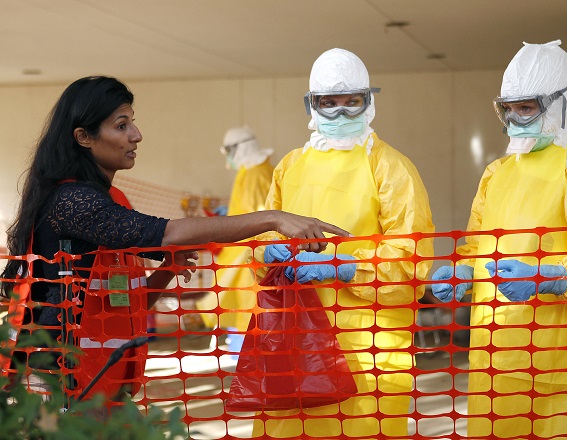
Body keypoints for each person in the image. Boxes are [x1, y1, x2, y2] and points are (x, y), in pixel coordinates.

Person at [0, 76, 349, 407]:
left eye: (132, 122)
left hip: (101, 379)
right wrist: (274, 218)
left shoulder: (109, 199)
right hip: (58, 380)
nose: (136, 135)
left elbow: (128, 308)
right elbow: (170, 233)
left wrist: (167, 270)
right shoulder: (73, 202)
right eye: (121, 125)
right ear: (84, 137)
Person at [430, 40, 567, 438]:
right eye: (507, 109)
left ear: (560, 104)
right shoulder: (497, 173)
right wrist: (460, 275)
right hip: (495, 367)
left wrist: (554, 278)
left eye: (526, 108)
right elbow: (477, 248)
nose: (514, 119)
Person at [249, 48, 435, 438]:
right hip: (294, 340)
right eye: (328, 103)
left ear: (369, 103)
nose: (339, 113)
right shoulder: (290, 166)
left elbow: (412, 261)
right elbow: (263, 237)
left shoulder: (390, 167)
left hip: (370, 349)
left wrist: (343, 266)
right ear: (311, 105)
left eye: (351, 103)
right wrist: (267, 253)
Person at [197, 126, 275, 357]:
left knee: (245, 303)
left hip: (248, 254)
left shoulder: (255, 175)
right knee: (239, 302)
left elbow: (259, 219)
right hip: (242, 252)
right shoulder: (253, 171)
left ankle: (245, 353)